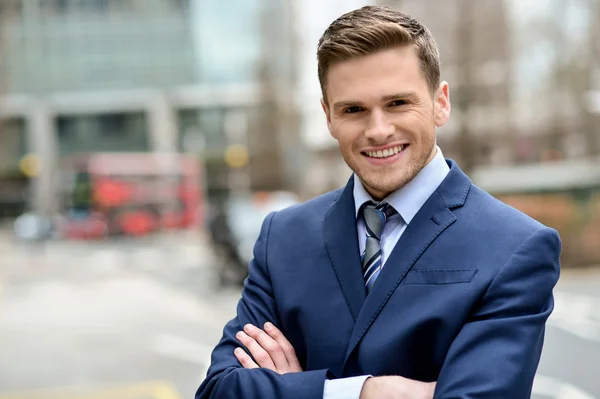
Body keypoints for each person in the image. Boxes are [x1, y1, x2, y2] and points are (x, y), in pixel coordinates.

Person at [195, 5, 561, 399]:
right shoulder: (283, 238)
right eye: (354, 109)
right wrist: (363, 393)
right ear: (328, 117)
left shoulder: (515, 247)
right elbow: (219, 390)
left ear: (441, 102)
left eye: (398, 103)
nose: (378, 130)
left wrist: (294, 390)